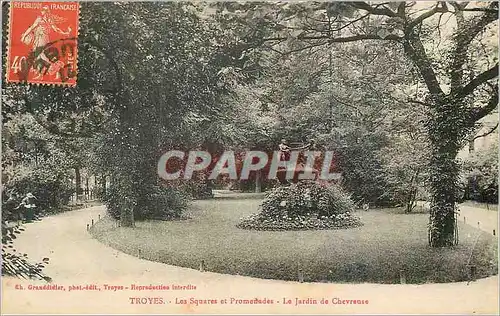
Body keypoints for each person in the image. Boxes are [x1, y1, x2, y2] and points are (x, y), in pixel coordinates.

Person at [20, 6, 72, 78]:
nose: (42, 12)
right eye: (42, 10)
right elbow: (55, 29)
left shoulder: (40, 19)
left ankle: (57, 67)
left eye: (44, 10)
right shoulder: (48, 19)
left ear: (47, 11)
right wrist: (65, 33)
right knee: (39, 56)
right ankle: (41, 73)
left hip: (41, 38)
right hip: (41, 38)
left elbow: (32, 27)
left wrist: (24, 36)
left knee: (40, 55)